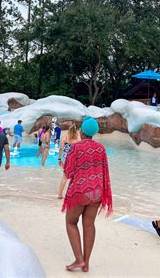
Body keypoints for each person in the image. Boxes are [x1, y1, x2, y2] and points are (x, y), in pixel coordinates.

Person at [62, 116, 112, 272]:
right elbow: (104, 171)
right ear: (94, 132)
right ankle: (86, 263)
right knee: (89, 224)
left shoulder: (75, 148)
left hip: (79, 192)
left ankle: (78, 259)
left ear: (82, 131)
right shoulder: (101, 148)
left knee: (71, 222)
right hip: (96, 192)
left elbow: (68, 172)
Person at [58, 123, 81, 199]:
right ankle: (74, 194)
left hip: (66, 158)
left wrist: (59, 158)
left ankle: (60, 194)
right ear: (76, 131)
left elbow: (61, 149)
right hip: (75, 159)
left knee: (65, 177)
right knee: (76, 177)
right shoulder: (78, 139)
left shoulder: (65, 138)